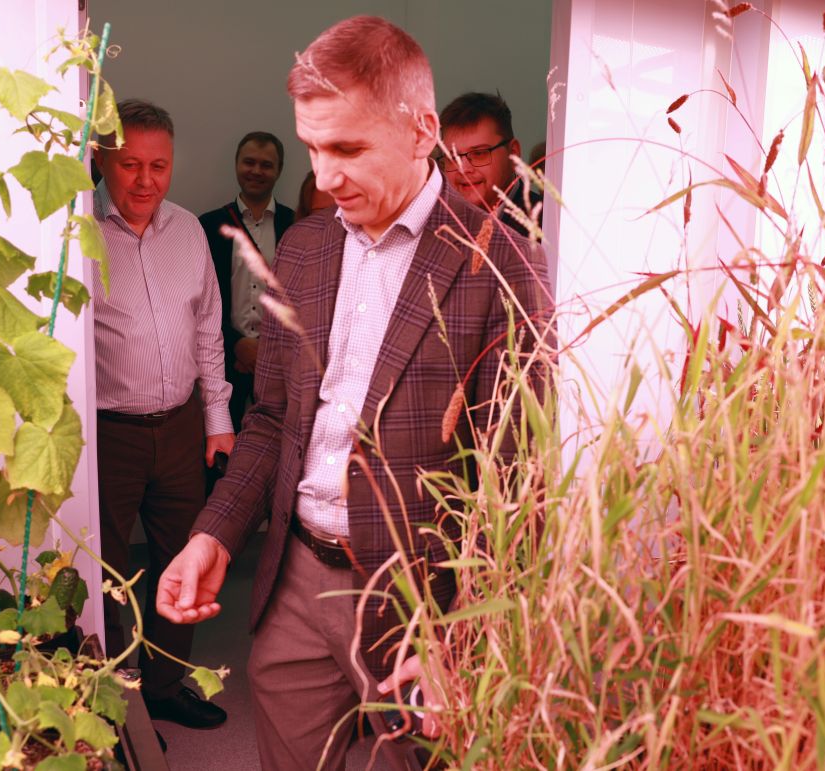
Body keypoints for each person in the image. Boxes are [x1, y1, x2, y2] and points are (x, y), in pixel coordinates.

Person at [156, 17, 552, 769]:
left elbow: (516, 484)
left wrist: (463, 632)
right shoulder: (304, 247)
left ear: (422, 131)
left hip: (420, 603)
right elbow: (272, 419)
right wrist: (214, 533)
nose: (326, 175)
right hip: (294, 582)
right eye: (311, 147)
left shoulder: (505, 266)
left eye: (347, 148)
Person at [91, 98, 234, 729]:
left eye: (159, 165)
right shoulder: (77, 233)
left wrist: (218, 418)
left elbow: (208, 327)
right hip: (107, 433)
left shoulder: (188, 229)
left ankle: (165, 687)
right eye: (130, 165)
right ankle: (111, 704)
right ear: (101, 160)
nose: (146, 181)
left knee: (183, 557)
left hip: (180, 427)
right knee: (105, 573)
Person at [199, 132, 296, 433]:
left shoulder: (295, 225)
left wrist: (266, 351)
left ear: (279, 170)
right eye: (249, 162)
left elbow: (304, 300)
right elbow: (199, 301)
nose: (256, 171)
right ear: (236, 164)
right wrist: (237, 344)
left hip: (281, 367)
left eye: (266, 165)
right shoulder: (208, 225)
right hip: (223, 363)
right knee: (222, 448)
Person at [438, 91, 532, 237]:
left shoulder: (548, 226)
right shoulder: (436, 226)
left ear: (513, 154)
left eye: (478, 153)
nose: (463, 169)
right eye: (452, 157)